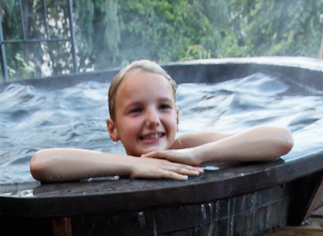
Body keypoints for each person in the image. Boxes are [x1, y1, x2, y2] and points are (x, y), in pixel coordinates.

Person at [30, 59, 294, 183]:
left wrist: (198, 155)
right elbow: (41, 163)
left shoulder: (186, 146)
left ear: (177, 117)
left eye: (164, 107)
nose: (152, 120)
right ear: (113, 129)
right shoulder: (112, 162)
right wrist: (133, 165)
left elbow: (281, 139)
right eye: (136, 111)